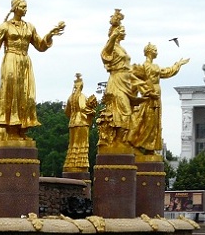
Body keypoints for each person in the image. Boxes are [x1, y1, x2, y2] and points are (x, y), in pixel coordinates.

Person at [0, 0, 64, 140]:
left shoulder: (30, 27)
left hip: (25, 63)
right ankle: (11, 130)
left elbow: (40, 45)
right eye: (22, 6)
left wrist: (50, 35)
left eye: (26, 7)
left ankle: (22, 129)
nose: (25, 9)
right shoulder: (5, 26)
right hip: (11, 60)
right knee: (11, 92)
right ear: (15, 8)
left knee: (26, 95)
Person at [127, 43, 189, 154]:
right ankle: (137, 143)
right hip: (149, 97)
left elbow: (167, 72)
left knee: (154, 122)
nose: (157, 52)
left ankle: (149, 147)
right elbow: (137, 82)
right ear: (149, 51)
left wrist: (178, 64)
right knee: (147, 120)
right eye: (155, 50)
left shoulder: (154, 66)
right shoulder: (145, 67)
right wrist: (148, 92)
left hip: (155, 97)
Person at [98, 9, 136, 147]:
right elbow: (104, 54)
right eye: (122, 30)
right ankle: (116, 142)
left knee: (126, 111)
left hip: (125, 82)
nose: (124, 32)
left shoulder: (121, 48)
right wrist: (113, 37)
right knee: (122, 111)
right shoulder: (112, 46)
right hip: (117, 81)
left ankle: (120, 142)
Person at [63, 73, 97, 173]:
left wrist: (72, 115)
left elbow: (66, 111)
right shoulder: (81, 97)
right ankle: (80, 164)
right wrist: (92, 111)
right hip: (81, 122)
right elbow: (83, 108)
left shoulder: (70, 97)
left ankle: (70, 163)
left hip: (72, 122)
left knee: (72, 144)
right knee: (82, 144)